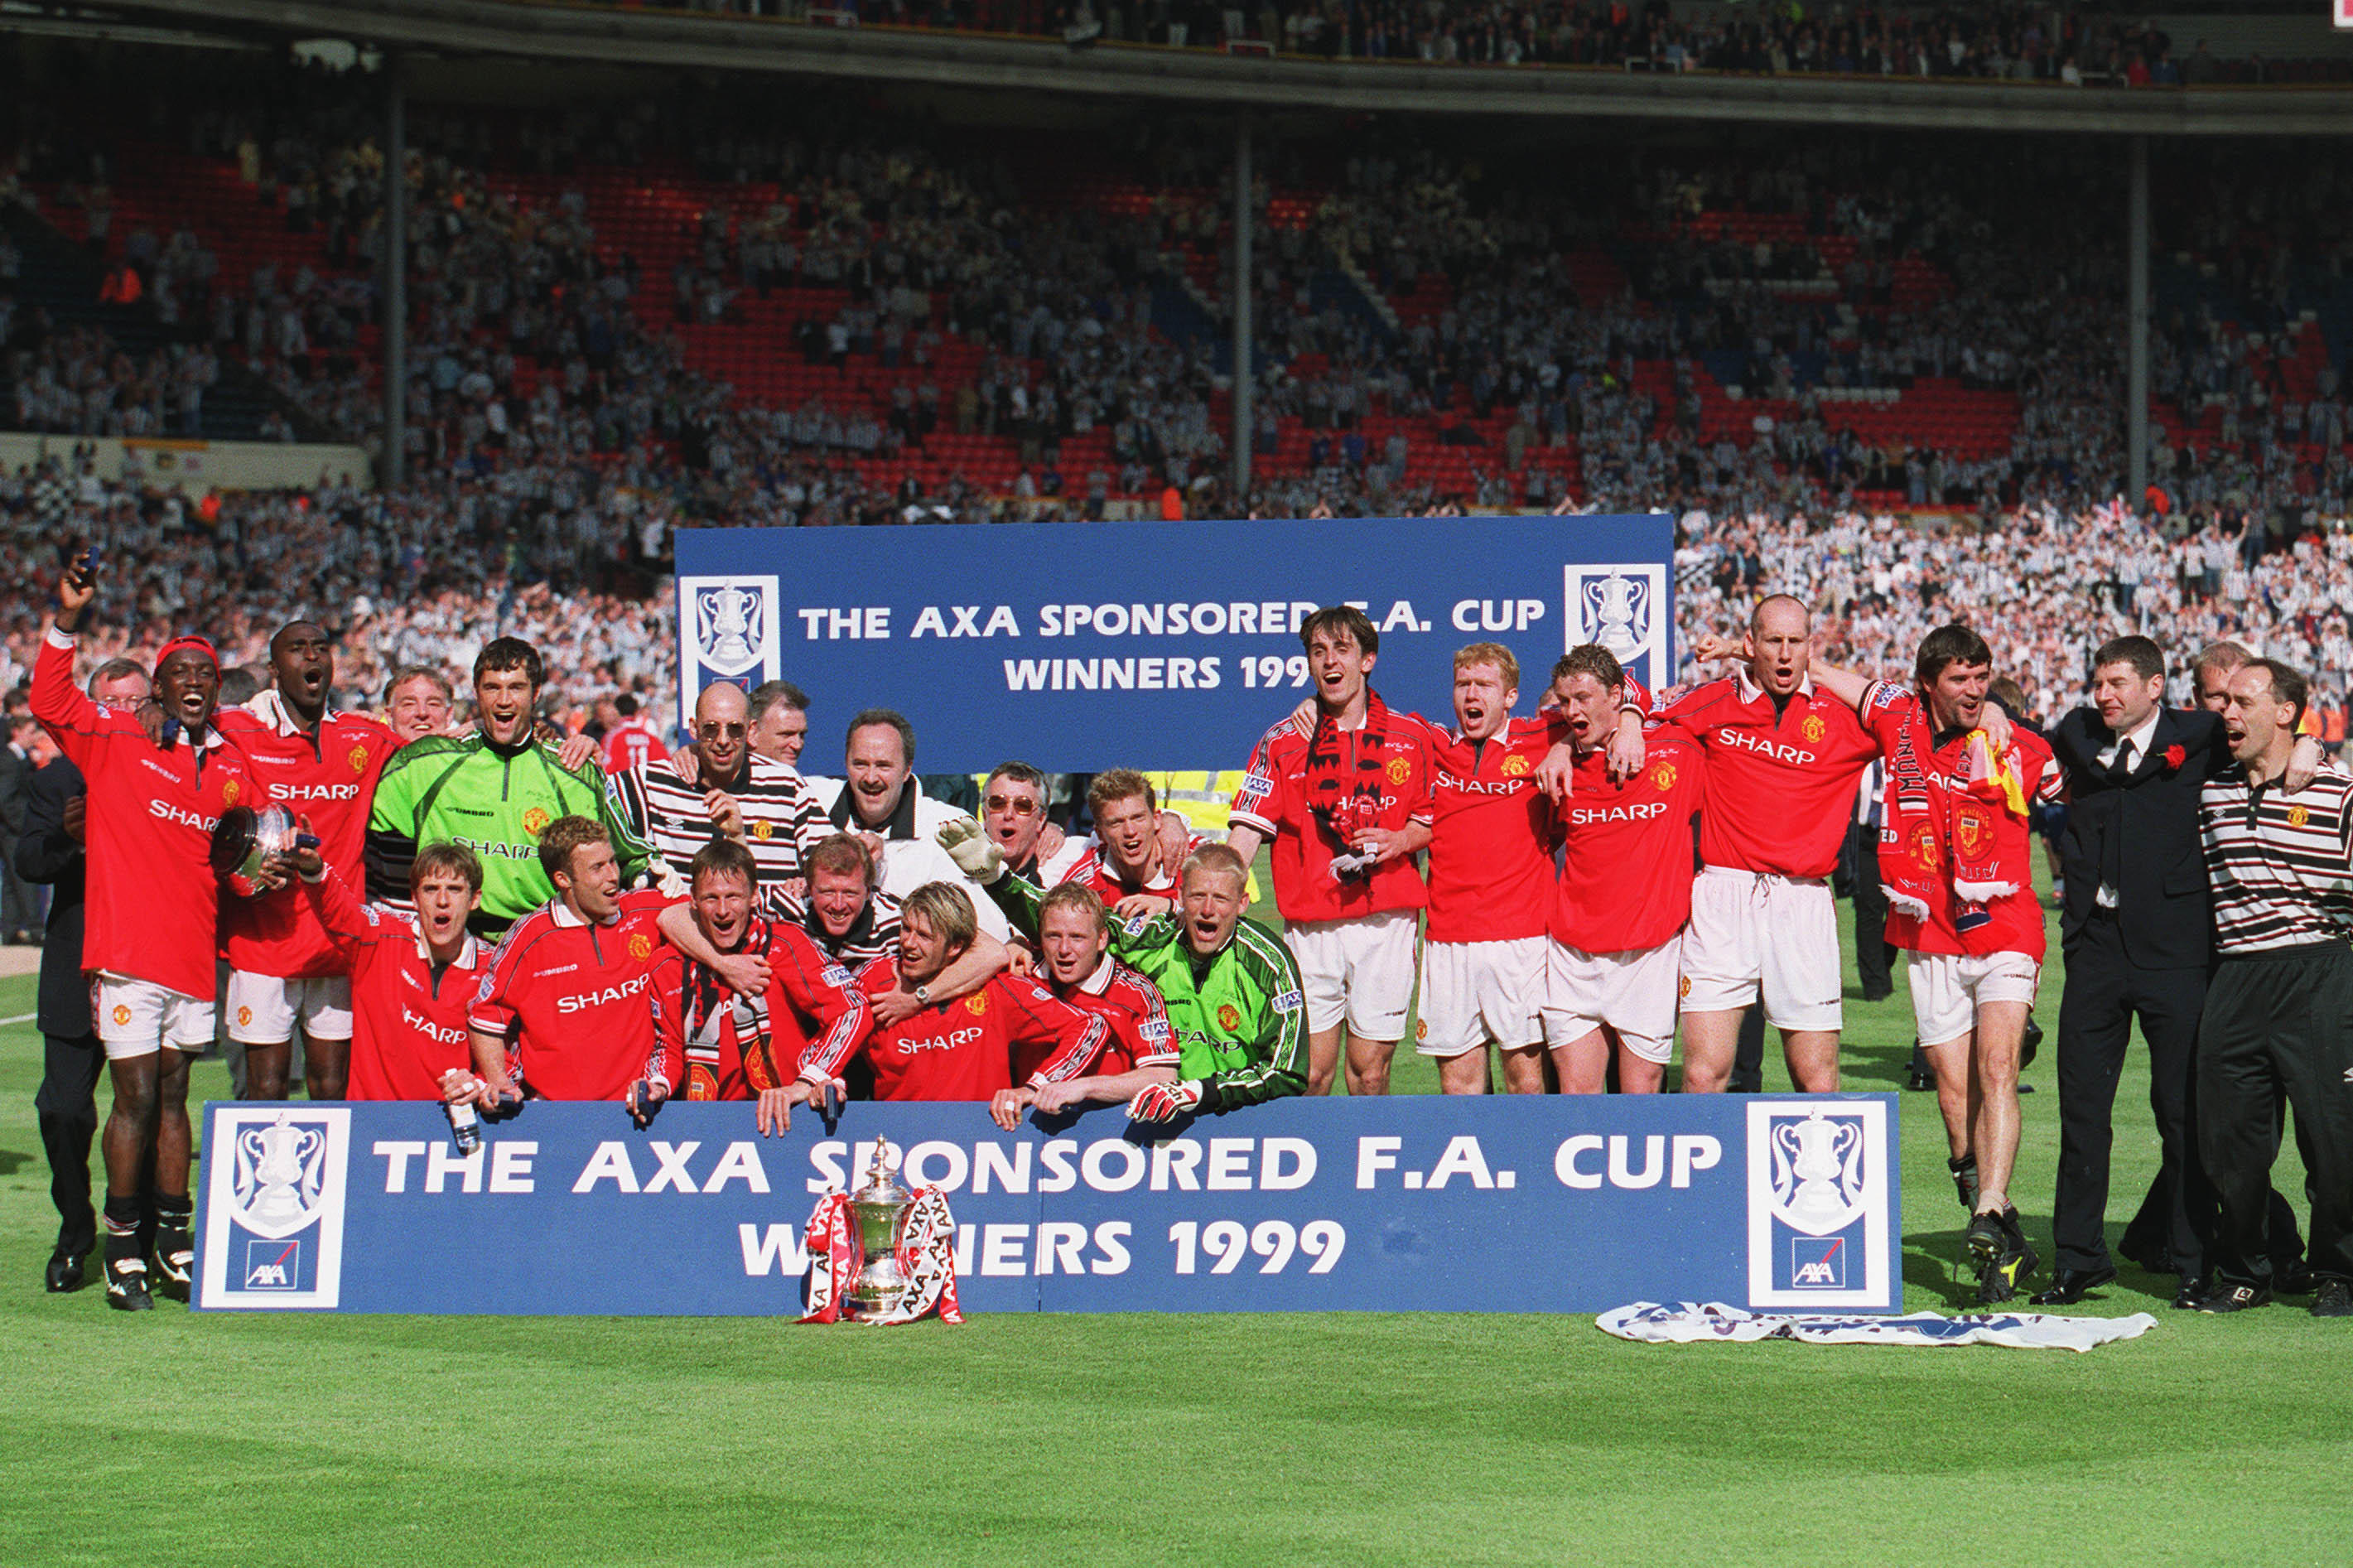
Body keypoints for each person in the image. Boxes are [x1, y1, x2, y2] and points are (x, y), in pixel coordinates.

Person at [2044, 635, 2318, 1310]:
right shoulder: (2076, 731)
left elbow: (2270, 735)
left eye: (2115, 683)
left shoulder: (2200, 732)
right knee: (2081, 1112)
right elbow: (2024, 734)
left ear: (2155, 686)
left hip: (2175, 954)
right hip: (2096, 951)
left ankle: (2194, 1261)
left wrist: (2310, 745)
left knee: (2184, 1117)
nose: (2102, 694)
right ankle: (2079, 1258)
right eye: (2098, 682)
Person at [31, 550, 256, 1310]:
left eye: (205, 674)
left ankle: (174, 1238)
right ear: (157, 687)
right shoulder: (118, 739)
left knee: (174, 1097)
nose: (193, 683)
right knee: (131, 1098)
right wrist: (68, 618)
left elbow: (253, 847)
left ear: (217, 690)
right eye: (179, 673)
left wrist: (269, 865)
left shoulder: (233, 767)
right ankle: (121, 1244)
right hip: (127, 958)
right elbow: (51, 700)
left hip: (193, 957)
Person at [1813, 625, 2061, 1304]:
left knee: (1997, 1068)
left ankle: (1989, 1203)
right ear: (1927, 683)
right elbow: (1831, 675)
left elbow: (2074, 789)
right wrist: (1771, 653)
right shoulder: (1896, 715)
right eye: (1959, 679)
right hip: (1928, 934)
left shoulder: (2016, 743)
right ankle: (1999, 1231)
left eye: (1982, 678)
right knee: (1954, 1097)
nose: (1974, 691)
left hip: (2005, 925)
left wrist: (2008, 718)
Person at [1627, 596, 1878, 1093]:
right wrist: (1634, 721)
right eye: (1773, 642)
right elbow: (1633, 695)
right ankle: (1707, 1173)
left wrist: (1997, 709)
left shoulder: (1844, 717)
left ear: (1811, 647)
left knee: (1817, 1077)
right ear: (1750, 645)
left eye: (1796, 642)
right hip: (1724, 896)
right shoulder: (1714, 699)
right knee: (1703, 1074)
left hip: (1802, 900)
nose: (1785, 655)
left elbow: (1920, 715)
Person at [2192, 659, 2353, 1318]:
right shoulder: (2207, 790)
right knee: (2228, 1142)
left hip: (2319, 970)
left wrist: (2316, 747)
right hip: (2236, 973)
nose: (2227, 711)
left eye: (2243, 699)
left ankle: (2340, 1270)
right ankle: (2244, 1268)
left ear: (2285, 711)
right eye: (2222, 700)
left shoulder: (2338, 791)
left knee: (2335, 1139)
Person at [1224, 605, 1434, 1097]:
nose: (1329, 662)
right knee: (1310, 1075)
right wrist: (1213, 890)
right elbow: (1246, 831)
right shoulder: (1282, 740)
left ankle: (1369, 1169)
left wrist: (1399, 840)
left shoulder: (1412, 736)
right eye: (1318, 652)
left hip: (1386, 924)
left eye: (1342, 650)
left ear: (1368, 660)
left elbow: (1428, 819)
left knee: (1371, 1074)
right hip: (1310, 927)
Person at [962, 837, 1308, 1120]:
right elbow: (1078, 922)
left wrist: (1202, 1091)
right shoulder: (1152, 937)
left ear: (1243, 903)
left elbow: (1288, 1071)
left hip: (1244, 1116)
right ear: (1180, 898)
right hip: (1160, 1114)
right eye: (1198, 896)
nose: (1207, 910)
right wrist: (998, 880)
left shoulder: (1269, 963)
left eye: (1221, 898)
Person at [215, 620, 401, 1102]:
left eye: (321, 648)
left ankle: (331, 1180)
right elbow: (187, 728)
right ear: (275, 670)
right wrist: (156, 712)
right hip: (262, 942)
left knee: (332, 1087)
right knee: (265, 1087)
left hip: (336, 944)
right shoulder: (237, 729)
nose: (312, 657)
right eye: (298, 650)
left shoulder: (366, 737)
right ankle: (264, 1179)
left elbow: (432, 755)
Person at [15, 654, 149, 1293]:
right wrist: (74, 841)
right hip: (75, 965)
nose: (124, 712)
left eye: (135, 700)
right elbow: (30, 860)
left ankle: (142, 1233)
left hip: (149, 964)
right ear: (91, 708)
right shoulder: (57, 778)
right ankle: (76, 1229)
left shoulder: (169, 770)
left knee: (148, 1105)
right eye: (112, 701)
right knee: (65, 1110)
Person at [368, 639, 647, 937]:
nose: (503, 700)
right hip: (455, 945)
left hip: (548, 946)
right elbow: (344, 813)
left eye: (516, 688)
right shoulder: (426, 762)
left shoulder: (575, 771)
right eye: (492, 688)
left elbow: (632, 860)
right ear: (476, 693)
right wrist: (365, 729)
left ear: (536, 693)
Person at [793, 881, 1102, 1126]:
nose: (909, 943)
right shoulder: (873, 984)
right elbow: (823, 1044)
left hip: (982, 1148)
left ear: (955, 947)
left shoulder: (996, 990)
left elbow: (1090, 1027)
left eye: (925, 936)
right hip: (900, 1144)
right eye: (906, 929)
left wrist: (1035, 1088)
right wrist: (827, 1080)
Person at [1545, 645, 1706, 1096]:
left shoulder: (1676, 750)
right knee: (1577, 1099)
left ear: (1617, 694)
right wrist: (1560, 745)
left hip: (1648, 954)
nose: (1572, 710)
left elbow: (1701, 699)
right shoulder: (1554, 760)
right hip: (1573, 955)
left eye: (1584, 697)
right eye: (1565, 701)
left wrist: (1636, 716)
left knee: (1641, 1099)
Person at [649, 839, 867, 1134]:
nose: (723, 910)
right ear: (693, 901)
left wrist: (806, 1082)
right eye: (711, 898)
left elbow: (853, 1010)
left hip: (787, 1117)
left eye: (734, 897)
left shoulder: (784, 944)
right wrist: (655, 1084)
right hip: (708, 1124)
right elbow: (668, 1047)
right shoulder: (667, 965)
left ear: (754, 897)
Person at [460, 816, 673, 1111]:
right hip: (558, 1117)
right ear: (563, 879)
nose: (613, 875)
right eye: (597, 868)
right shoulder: (530, 937)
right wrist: (498, 1082)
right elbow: (484, 1016)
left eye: (612, 861)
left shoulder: (647, 910)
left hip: (637, 1109)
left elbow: (712, 918)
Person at [290, 840, 488, 1101]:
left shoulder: (493, 969)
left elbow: (511, 1054)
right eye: (431, 889)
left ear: (474, 899)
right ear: (414, 899)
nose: (442, 901)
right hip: (374, 1122)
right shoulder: (379, 940)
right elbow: (339, 910)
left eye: (454, 889)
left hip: (449, 1124)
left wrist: (479, 1084)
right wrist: (315, 872)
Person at [609, 681, 822, 904]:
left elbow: (831, 866)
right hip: (680, 932)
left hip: (771, 931)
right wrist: (584, 753)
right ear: (694, 729)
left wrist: (806, 883)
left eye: (734, 729)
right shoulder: (652, 782)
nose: (723, 740)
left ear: (750, 730)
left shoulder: (787, 785)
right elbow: (596, 807)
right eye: (711, 728)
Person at [807, 709, 1010, 939]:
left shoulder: (945, 828)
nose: (871, 778)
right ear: (845, 764)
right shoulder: (809, 799)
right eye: (860, 764)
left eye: (884, 766)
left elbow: (991, 935)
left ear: (907, 770)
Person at [991, 881, 1180, 1121]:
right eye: (1053, 936)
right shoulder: (1021, 977)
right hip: (1024, 1125)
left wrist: (1085, 1087)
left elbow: (1163, 1075)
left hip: (1106, 1129)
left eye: (1077, 937)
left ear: (1102, 939)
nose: (1064, 949)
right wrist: (1011, 947)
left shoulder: (1136, 993)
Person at [1057, 770, 1204, 918]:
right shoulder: (1086, 879)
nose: (1130, 831)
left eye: (1138, 818)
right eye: (1116, 823)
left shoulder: (1199, 859)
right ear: (1100, 833)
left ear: (1157, 820)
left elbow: (1225, 913)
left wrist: (1171, 907)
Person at [975, 760, 1081, 885]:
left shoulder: (1059, 873)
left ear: (1041, 820)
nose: (1008, 814)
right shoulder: (960, 869)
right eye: (998, 803)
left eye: (1023, 805)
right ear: (984, 815)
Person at [746, 679, 810, 770]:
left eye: (801, 735)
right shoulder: (726, 781)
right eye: (786, 734)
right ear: (752, 732)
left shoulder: (814, 784)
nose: (798, 745)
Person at [383, 666, 455, 745]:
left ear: (449, 715)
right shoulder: (373, 757)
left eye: (433, 704)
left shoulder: (467, 756)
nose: (422, 712)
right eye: (409, 704)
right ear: (390, 716)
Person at [601, 692, 668, 775]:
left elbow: (606, 770)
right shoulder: (652, 739)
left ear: (616, 712)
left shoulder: (613, 737)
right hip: (646, 786)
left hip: (622, 786)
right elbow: (665, 766)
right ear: (636, 712)